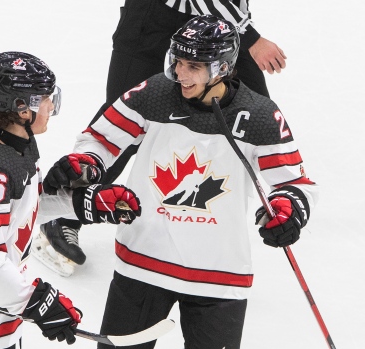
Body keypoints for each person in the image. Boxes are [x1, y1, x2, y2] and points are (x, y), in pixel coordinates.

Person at [42, 15, 318, 349]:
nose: (180, 74)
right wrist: (87, 162)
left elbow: (296, 183)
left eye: (193, 66)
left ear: (222, 68)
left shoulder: (259, 115)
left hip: (219, 277)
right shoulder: (155, 93)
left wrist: (289, 209)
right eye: (179, 61)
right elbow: (100, 138)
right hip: (142, 263)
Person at [33, 0, 288, 276]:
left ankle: (275, 201)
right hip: (153, 22)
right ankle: (63, 214)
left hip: (215, 29)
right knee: (127, 119)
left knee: (252, 111)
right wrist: (250, 37)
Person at [0, 51, 141, 349]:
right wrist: (35, 301)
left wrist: (78, 204)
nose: (51, 105)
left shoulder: (10, 148)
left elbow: (13, 216)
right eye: (45, 98)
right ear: (23, 108)